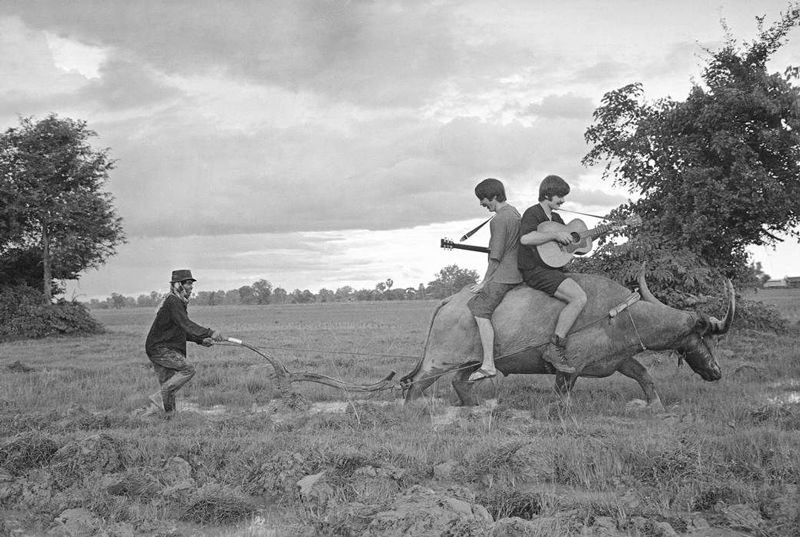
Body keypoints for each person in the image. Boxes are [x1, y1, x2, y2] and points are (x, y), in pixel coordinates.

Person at [518, 175, 587, 373]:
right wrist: (555, 235)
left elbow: (566, 246)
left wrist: (575, 246)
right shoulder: (533, 213)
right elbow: (526, 238)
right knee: (579, 298)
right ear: (547, 194)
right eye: (560, 196)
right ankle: (554, 348)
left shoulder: (556, 219)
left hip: (551, 269)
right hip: (534, 270)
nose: (563, 201)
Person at [145, 269, 225, 416]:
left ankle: (170, 417)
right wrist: (210, 332)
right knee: (187, 369)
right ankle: (159, 398)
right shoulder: (173, 301)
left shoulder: (177, 301)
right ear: (178, 285)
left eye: (191, 284)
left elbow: (181, 329)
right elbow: (185, 323)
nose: (191, 287)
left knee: (168, 385)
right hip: (160, 348)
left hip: (160, 347)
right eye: (188, 283)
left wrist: (200, 340)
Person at [466, 178, 523, 382]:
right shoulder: (515, 213)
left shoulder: (498, 220)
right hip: (519, 271)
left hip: (505, 275)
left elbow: (495, 257)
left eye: (483, 199)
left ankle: (488, 364)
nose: (482, 203)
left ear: (495, 196)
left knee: (480, 310)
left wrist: (484, 282)